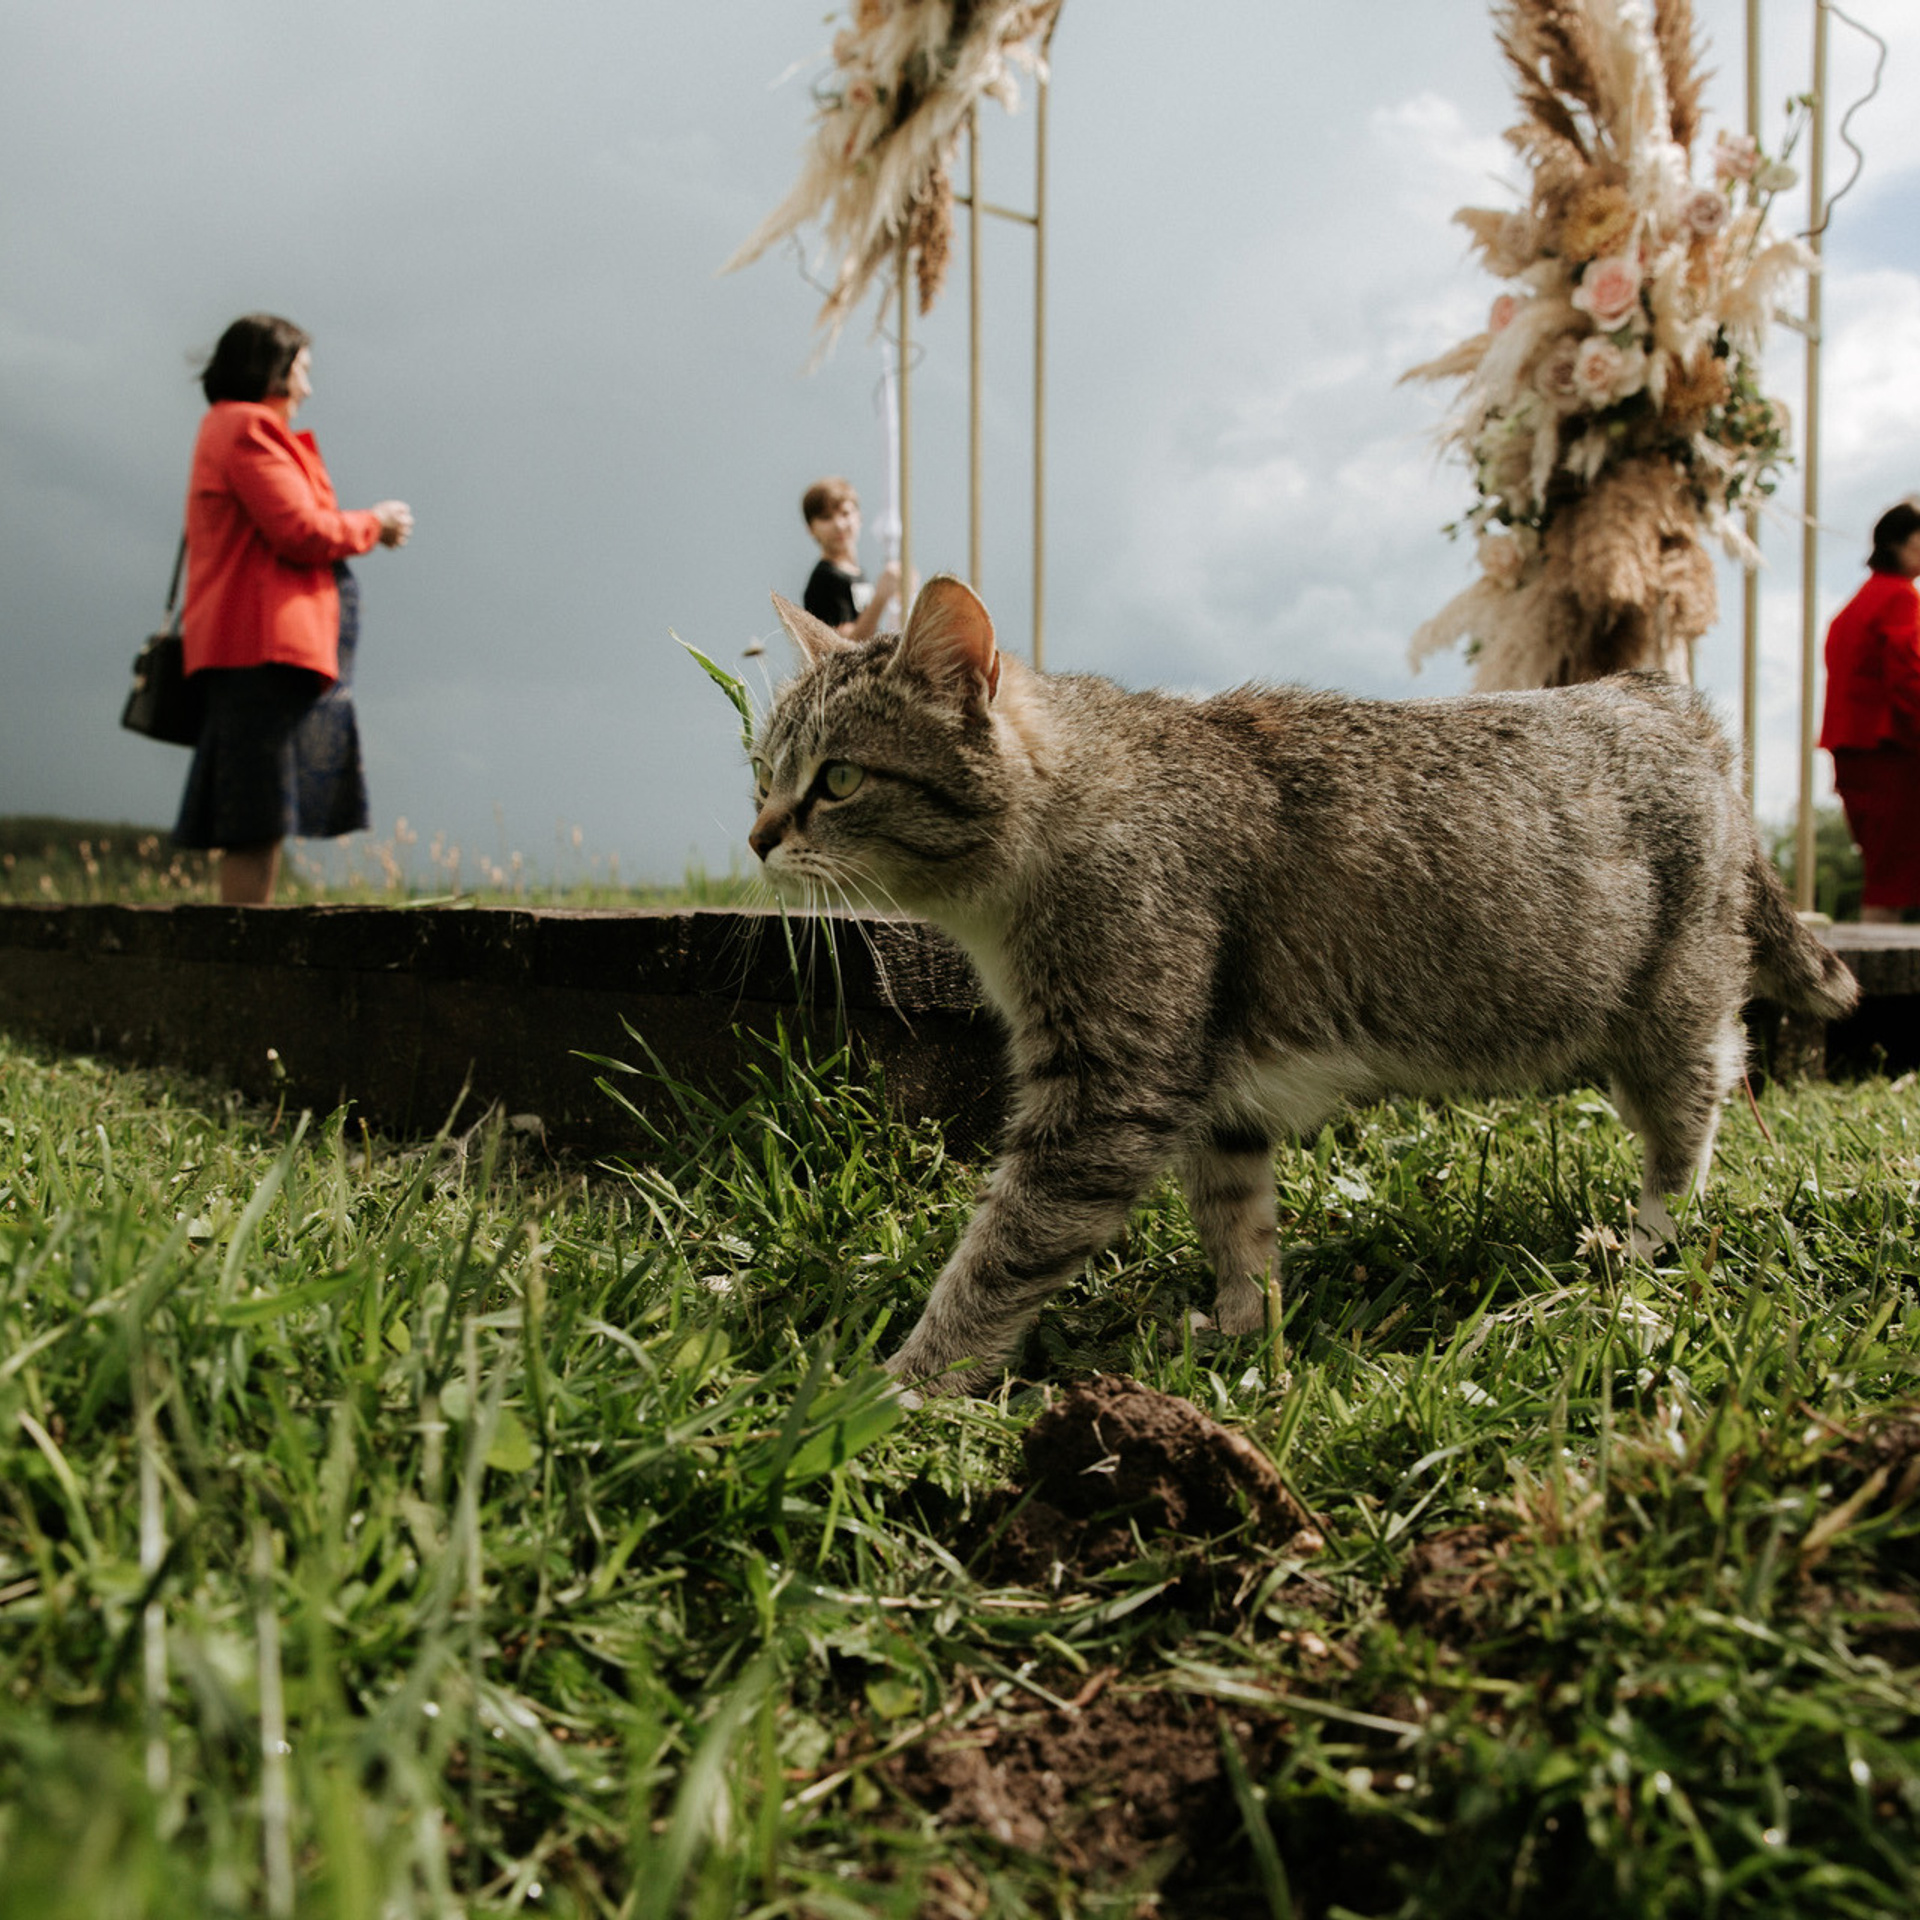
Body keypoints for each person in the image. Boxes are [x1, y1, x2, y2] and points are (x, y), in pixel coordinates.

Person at [173, 313, 413, 905]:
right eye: (301, 371)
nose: (306, 388)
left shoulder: (229, 427)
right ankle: (242, 956)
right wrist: (373, 524)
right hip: (260, 649)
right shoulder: (247, 429)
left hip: (253, 647)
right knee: (257, 816)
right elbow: (300, 530)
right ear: (272, 370)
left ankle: (244, 949)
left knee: (259, 813)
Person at [1819, 498, 1920, 923]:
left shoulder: (1856, 604)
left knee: (1882, 874)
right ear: (1896, 545)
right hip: (1890, 753)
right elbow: (1909, 680)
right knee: (1894, 880)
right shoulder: (1900, 598)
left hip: (1853, 751)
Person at [800, 477, 903, 640]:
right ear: (811, 529)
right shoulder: (825, 579)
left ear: (859, 517)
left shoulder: (857, 574)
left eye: (845, 513)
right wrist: (881, 597)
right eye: (826, 517)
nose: (839, 525)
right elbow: (848, 648)